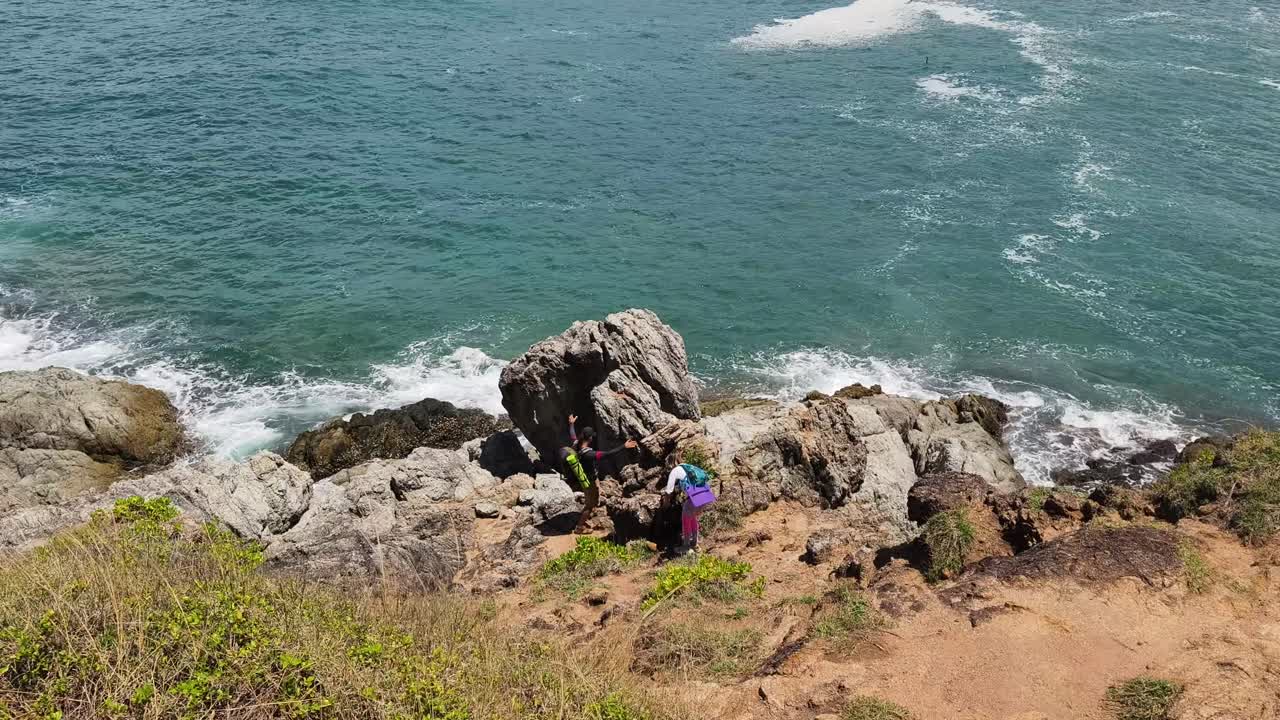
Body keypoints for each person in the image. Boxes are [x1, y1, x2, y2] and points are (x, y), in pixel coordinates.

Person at [560, 414, 637, 534]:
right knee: (590, 505)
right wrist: (624, 446)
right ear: (590, 438)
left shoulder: (576, 445)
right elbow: (608, 454)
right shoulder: (588, 454)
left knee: (592, 499)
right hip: (588, 481)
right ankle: (579, 527)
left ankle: (586, 514)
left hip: (588, 478)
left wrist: (571, 424)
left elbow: (572, 435)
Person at [661, 451, 714, 553]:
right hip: (706, 494)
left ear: (671, 463)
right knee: (692, 517)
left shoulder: (675, 470)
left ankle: (686, 546)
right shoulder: (689, 467)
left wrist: (665, 504)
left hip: (695, 497)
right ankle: (695, 544)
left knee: (686, 518)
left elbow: (669, 490)